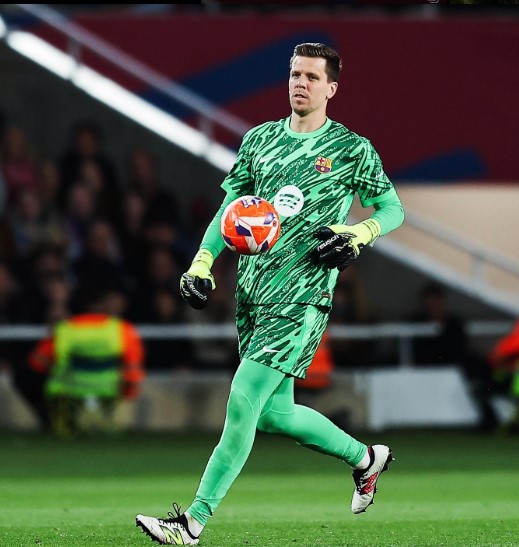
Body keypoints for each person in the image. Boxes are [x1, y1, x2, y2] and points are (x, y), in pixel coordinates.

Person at [136, 42, 405, 545]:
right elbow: (231, 211)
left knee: (242, 401)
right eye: (295, 74)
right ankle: (367, 459)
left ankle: (191, 522)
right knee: (276, 415)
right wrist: (202, 261)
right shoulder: (259, 140)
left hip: (302, 297)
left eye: (312, 76)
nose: (300, 82)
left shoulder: (351, 148)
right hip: (253, 294)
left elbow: (392, 209)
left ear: (331, 88)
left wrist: (358, 233)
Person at [24, 286, 145, 436]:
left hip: (70, 386)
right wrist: (129, 391)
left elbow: (37, 363)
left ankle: (63, 423)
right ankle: (109, 422)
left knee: (42, 380)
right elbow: (133, 367)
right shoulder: (122, 329)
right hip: (109, 387)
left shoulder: (66, 329)